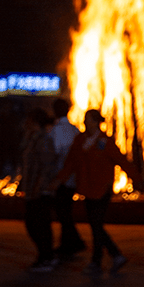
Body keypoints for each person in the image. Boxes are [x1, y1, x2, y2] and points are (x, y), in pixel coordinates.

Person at [57, 109, 139, 276]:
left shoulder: (104, 142)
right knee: (96, 225)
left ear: (96, 122)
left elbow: (121, 160)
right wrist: (58, 180)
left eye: (88, 119)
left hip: (102, 189)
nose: (85, 122)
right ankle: (113, 256)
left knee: (95, 224)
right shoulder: (80, 140)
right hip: (87, 189)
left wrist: (138, 181)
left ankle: (100, 260)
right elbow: (70, 163)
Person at [21, 105, 60, 271]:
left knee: (38, 224)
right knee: (35, 223)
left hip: (40, 191)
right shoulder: (33, 137)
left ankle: (46, 257)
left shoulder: (43, 139)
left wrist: (37, 186)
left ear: (34, 121)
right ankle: (45, 256)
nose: (26, 122)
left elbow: (46, 166)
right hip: (32, 188)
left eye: (29, 119)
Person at [50, 98, 85, 258]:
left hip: (60, 177)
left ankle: (74, 243)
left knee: (62, 212)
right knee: (66, 211)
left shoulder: (56, 130)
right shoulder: (74, 129)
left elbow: (54, 153)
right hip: (73, 178)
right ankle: (68, 244)